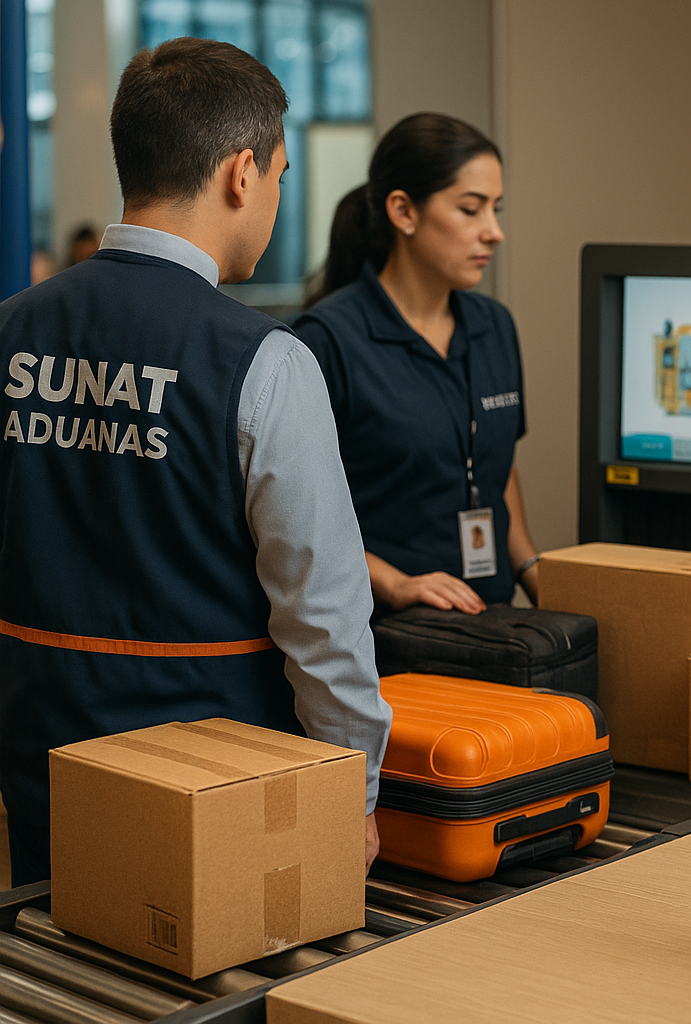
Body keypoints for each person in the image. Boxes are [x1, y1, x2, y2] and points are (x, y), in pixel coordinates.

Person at [0, 37, 391, 885]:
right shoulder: (264, 362)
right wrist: (354, 789)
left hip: (44, 772)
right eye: (281, 178)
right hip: (216, 792)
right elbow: (322, 614)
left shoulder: (11, 329)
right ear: (241, 173)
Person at [294, 113, 539, 617]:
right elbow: (293, 515)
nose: (494, 232)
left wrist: (532, 569)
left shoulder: (495, 326)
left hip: (489, 618)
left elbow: (498, 469)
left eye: (496, 209)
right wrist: (396, 584)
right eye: (471, 210)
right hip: (383, 628)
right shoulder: (327, 340)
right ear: (404, 212)